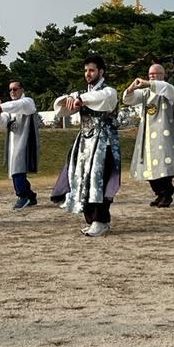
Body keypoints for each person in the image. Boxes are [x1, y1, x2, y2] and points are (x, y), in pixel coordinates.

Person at [51, 54, 121, 237]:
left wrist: (80, 97)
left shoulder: (109, 91)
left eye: (91, 70)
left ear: (101, 71)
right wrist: (71, 98)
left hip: (103, 143)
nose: (88, 74)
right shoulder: (82, 94)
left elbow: (103, 99)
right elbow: (60, 110)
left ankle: (101, 220)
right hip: (84, 143)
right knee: (83, 180)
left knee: (99, 181)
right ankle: (92, 220)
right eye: (86, 70)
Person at [123, 63, 174, 207]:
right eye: (150, 74)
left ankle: (167, 194)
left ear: (162, 75)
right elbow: (127, 100)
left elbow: (163, 88)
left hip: (163, 135)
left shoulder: (168, 89)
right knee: (148, 167)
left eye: (155, 74)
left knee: (163, 166)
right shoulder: (145, 93)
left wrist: (149, 83)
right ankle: (159, 193)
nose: (152, 77)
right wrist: (131, 89)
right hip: (147, 136)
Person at [0, 80, 39, 210]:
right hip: (13, 140)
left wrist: (2, 107)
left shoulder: (28, 102)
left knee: (17, 169)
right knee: (15, 169)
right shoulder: (10, 107)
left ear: (22, 89)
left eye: (15, 89)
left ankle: (22, 195)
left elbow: (19, 105)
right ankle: (31, 196)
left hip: (24, 140)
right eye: (10, 90)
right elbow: (3, 122)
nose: (12, 92)